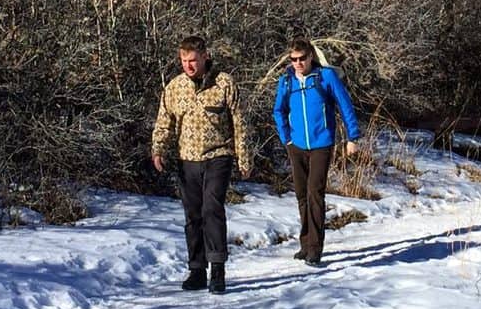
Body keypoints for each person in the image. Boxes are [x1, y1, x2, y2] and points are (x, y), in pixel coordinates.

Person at [152, 35, 251, 294]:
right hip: (187, 160)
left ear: (205, 56)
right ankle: (197, 269)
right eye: (184, 61)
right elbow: (165, 122)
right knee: (192, 215)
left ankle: (217, 268)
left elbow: (239, 122)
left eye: (193, 60)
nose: (189, 66)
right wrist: (158, 150)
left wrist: (243, 156)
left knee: (212, 209)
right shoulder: (174, 88)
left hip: (218, 155)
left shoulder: (224, 83)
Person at [272, 36, 361, 266]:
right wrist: (286, 138)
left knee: (314, 192)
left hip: (322, 142)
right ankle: (305, 243)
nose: (299, 63)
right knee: (301, 194)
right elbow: (278, 111)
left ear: (311, 56)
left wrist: (352, 137)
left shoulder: (325, 76)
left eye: (302, 58)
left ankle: (315, 248)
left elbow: (345, 104)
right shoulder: (286, 82)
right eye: (294, 59)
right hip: (297, 145)